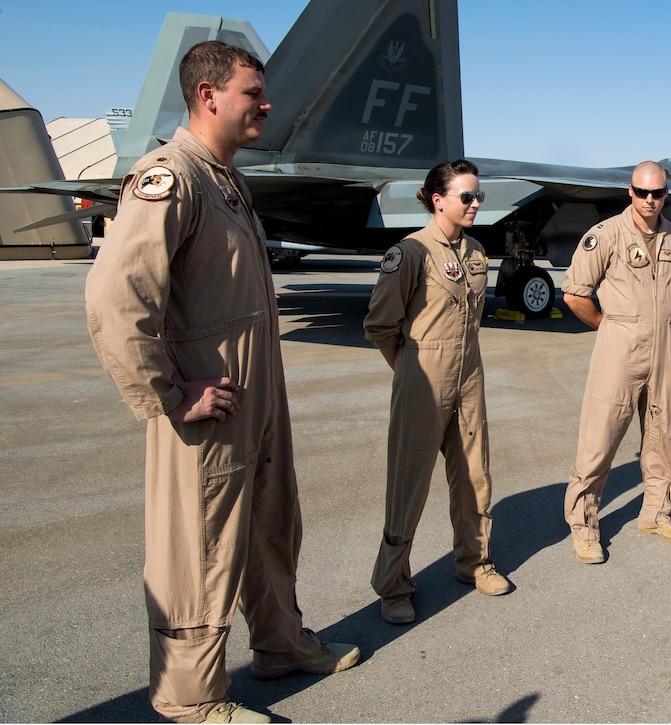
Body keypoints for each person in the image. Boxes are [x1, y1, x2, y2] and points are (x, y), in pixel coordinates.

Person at [84, 41, 359, 724]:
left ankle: (280, 643)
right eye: (252, 92)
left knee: (271, 522)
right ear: (208, 96)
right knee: (200, 550)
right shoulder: (170, 178)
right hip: (208, 407)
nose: (266, 104)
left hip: (255, 398)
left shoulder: (226, 181)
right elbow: (116, 302)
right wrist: (172, 395)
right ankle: (190, 696)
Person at [363, 159, 511, 625]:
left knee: (474, 475)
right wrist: (411, 369)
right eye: (466, 197)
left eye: (478, 197)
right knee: (409, 484)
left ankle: (475, 562)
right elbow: (381, 326)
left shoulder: (475, 253)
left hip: (469, 374)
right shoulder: (409, 253)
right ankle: (392, 586)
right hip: (423, 377)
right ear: (437, 199)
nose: (474, 204)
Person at [562, 161, 671, 563]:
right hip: (619, 344)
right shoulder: (605, 235)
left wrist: (660, 319)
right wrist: (610, 326)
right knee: (599, 437)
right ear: (630, 192)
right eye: (642, 192)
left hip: (665, 345)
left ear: (665, 194)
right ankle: (584, 526)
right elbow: (575, 294)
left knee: (665, 433)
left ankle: (657, 513)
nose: (650, 200)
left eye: (657, 193)